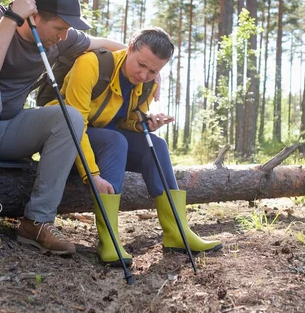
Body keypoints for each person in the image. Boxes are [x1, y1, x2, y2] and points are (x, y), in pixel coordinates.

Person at [0, 0, 126, 254]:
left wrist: (143, 63)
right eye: (59, 28)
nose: (63, 36)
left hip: (5, 131)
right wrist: (12, 17)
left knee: (69, 116)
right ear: (34, 17)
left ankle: (38, 220)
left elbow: (103, 44)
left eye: (67, 30)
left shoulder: (59, 39)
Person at [46, 28, 223, 266]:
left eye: (153, 71)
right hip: (63, 137)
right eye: (141, 65)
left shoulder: (147, 85)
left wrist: (143, 123)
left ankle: (177, 232)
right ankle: (109, 239)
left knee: (156, 146)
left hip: (104, 138)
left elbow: (123, 121)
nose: (144, 75)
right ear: (128, 48)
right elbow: (74, 123)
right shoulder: (91, 64)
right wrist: (92, 175)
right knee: (114, 140)